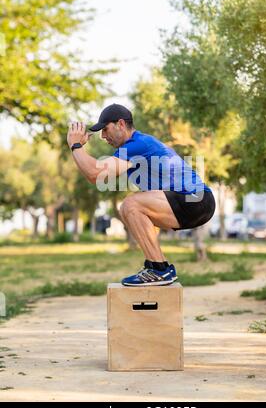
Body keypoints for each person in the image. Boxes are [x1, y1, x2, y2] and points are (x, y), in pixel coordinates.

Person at [67, 103, 215, 286]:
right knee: (132, 211)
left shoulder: (137, 144)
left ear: (120, 124)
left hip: (196, 200)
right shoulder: (134, 146)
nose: (103, 136)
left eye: (105, 129)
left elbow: (95, 174)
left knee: (131, 205)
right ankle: (156, 267)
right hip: (191, 203)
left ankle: (159, 269)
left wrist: (75, 145)